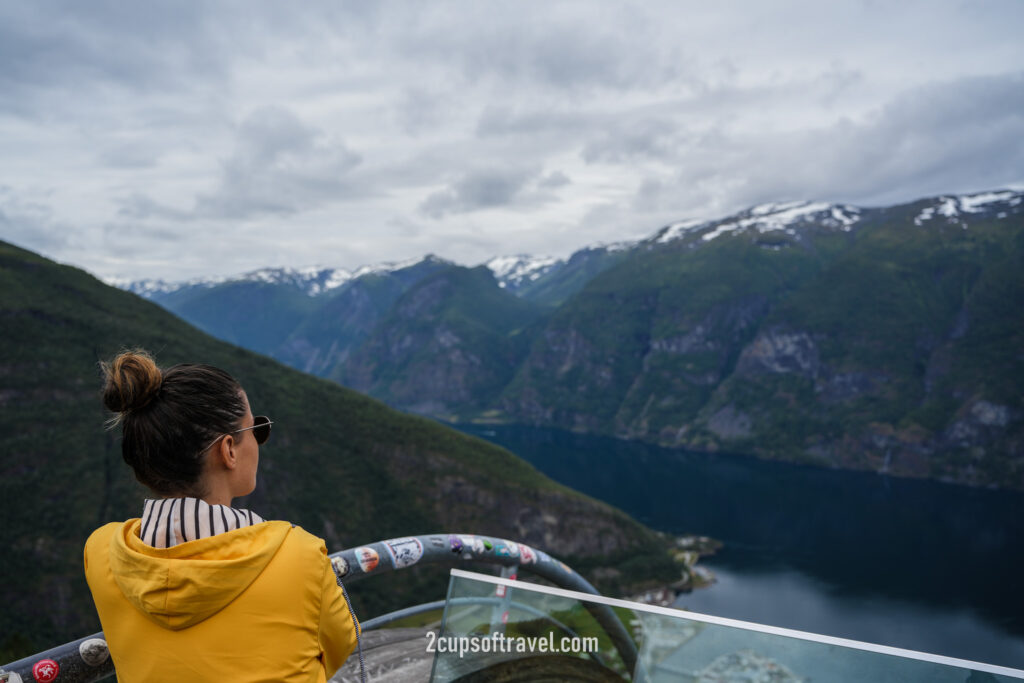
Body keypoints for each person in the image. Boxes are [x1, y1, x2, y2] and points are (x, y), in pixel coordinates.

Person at [84, 349, 359, 682]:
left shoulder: (101, 553)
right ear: (228, 450)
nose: (259, 440)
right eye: (257, 428)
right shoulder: (299, 554)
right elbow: (341, 645)